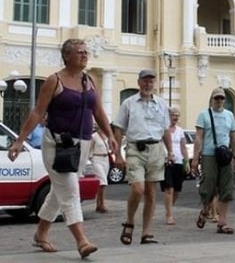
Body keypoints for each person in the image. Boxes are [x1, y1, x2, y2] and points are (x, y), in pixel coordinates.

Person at [7, 38, 117, 259]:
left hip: (82, 144)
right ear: (67, 56)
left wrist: (110, 135)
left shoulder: (90, 80)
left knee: (59, 192)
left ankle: (41, 234)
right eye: (79, 52)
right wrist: (19, 141)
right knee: (70, 191)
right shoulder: (54, 81)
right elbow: (37, 112)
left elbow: (98, 111)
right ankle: (82, 241)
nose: (85, 55)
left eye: (86, 52)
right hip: (57, 145)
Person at [113, 69, 174, 245]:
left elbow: (165, 130)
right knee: (137, 189)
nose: (148, 84)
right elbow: (118, 128)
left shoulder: (161, 104)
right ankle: (130, 221)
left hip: (156, 149)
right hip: (135, 149)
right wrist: (117, 154)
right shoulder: (129, 103)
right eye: (145, 81)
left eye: (151, 81)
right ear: (139, 82)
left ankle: (146, 232)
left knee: (151, 194)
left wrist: (170, 151)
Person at [191, 87, 235, 234]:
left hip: (225, 155)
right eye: (216, 98)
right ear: (212, 99)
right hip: (209, 154)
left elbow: (234, 136)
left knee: (227, 187)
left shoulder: (229, 115)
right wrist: (195, 157)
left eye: (221, 98)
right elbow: (199, 137)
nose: (219, 101)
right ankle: (205, 210)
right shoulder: (204, 115)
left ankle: (222, 222)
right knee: (208, 186)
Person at [161, 107, 190, 225]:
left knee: (177, 189)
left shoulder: (180, 130)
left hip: (178, 161)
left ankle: (169, 208)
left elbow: (183, 146)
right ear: (168, 116)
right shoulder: (163, 129)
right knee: (169, 188)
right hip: (166, 161)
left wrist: (186, 161)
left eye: (177, 115)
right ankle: (169, 215)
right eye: (173, 115)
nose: (175, 117)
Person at [90, 124, 111, 213]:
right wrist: (90, 160)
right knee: (103, 183)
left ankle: (98, 204)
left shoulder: (107, 136)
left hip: (105, 159)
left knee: (101, 184)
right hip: (97, 159)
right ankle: (102, 204)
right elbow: (89, 149)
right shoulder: (94, 137)